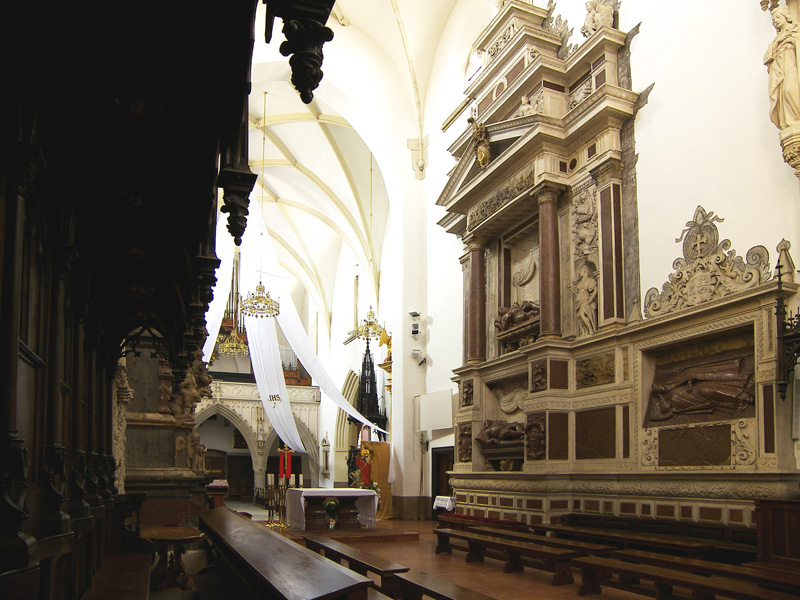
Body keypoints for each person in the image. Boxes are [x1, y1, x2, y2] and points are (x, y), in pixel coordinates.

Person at [765, 6, 800, 129]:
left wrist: (792, 40)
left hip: (791, 63)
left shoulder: (795, 30)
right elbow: (767, 58)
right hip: (780, 68)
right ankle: (791, 122)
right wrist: (775, 46)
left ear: (786, 17)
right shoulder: (776, 39)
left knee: (789, 90)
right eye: (774, 20)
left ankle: (797, 119)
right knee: (783, 94)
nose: (776, 21)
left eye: (778, 17)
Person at [573, 262, 598, 336]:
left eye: (581, 270)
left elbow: (595, 290)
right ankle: (584, 332)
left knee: (581, 314)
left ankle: (591, 330)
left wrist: (591, 298)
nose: (579, 272)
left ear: (585, 271)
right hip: (579, 300)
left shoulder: (590, 280)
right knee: (579, 316)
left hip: (585, 299)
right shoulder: (579, 283)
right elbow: (578, 293)